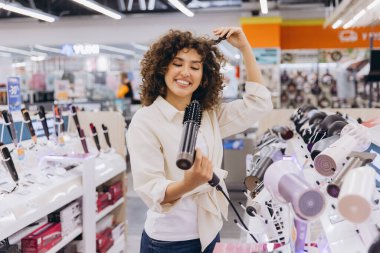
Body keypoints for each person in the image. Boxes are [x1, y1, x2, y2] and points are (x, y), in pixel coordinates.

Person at [127, 27, 273, 253]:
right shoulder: (145, 121)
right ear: (162, 68)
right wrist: (188, 184)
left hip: (209, 230)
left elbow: (258, 104)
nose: (186, 72)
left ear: (204, 76)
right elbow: (151, 190)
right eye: (178, 64)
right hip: (169, 241)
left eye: (195, 67)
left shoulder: (207, 114)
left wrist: (245, 48)